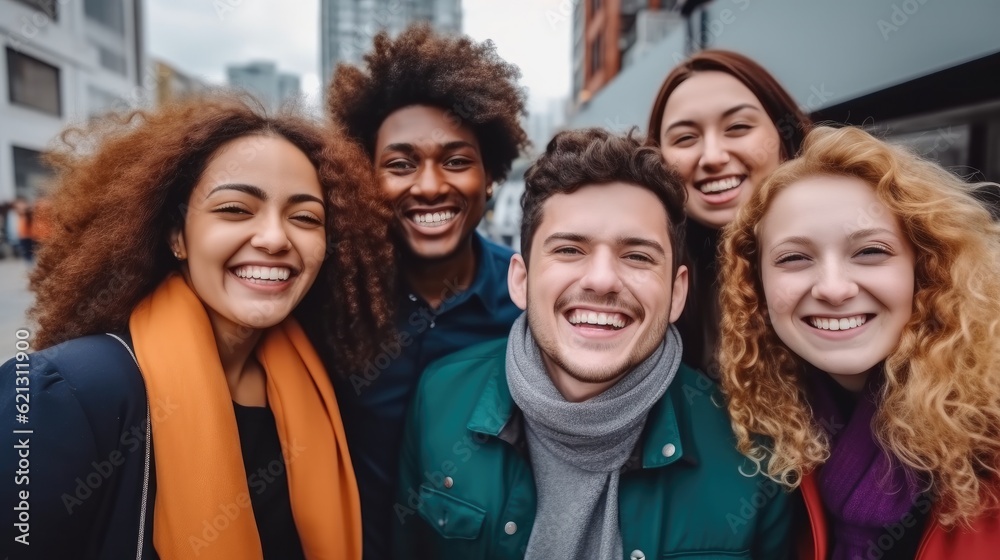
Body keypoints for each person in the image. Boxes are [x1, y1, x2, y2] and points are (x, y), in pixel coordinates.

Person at [0, 93, 395, 559]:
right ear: (176, 236)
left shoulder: (323, 385)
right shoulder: (66, 392)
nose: (274, 238)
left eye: (305, 217)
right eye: (235, 209)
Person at [393, 129, 792, 559]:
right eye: (569, 250)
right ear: (521, 280)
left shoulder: (754, 457)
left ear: (677, 293)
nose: (601, 280)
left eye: (637, 256)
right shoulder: (438, 399)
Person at [719, 125, 1000, 559]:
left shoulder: (990, 437)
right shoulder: (772, 432)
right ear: (757, 286)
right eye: (794, 257)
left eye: (870, 251)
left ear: (925, 267)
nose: (833, 289)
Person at [326, 23, 529, 559]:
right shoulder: (328, 298)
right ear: (365, 178)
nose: (431, 185)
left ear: (491, 176)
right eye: (400, 164)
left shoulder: (534, 301)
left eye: (457, 160)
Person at [646, 49, 812, 377]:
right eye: (685, 138)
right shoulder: (653, 281)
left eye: (737, 127)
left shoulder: (854, 260)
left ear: (784, 136)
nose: (712, 156)